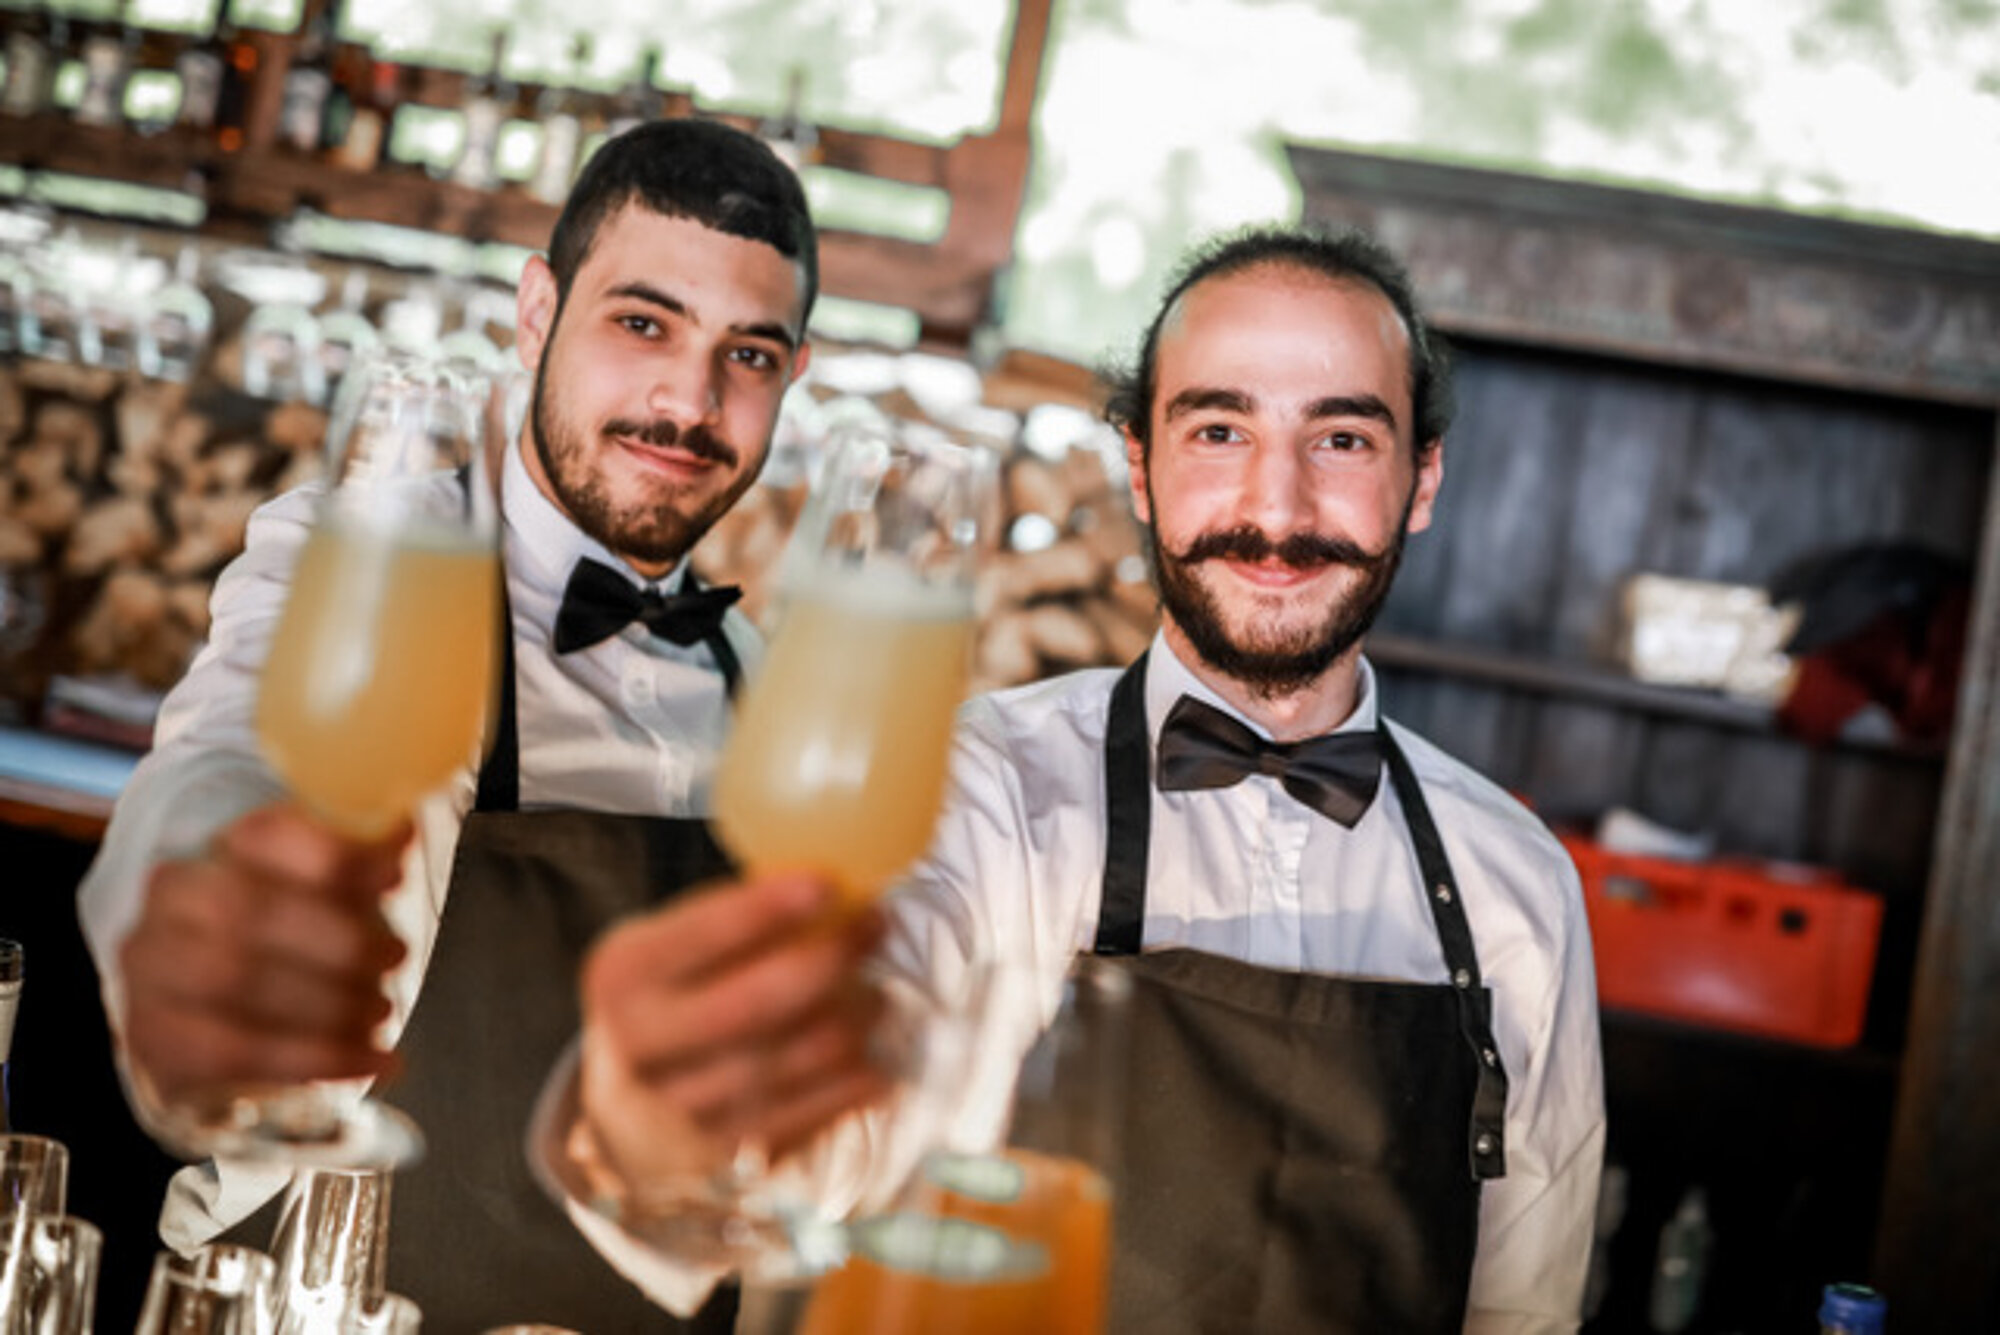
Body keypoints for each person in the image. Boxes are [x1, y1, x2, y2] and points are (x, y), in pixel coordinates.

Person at [548, 222, 1607, 1333]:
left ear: (1421, 479)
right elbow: (812, 1128)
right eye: (1216, 430)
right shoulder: (973, 790)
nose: (1277, 509)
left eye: (1340, 440)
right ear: (1137, 470)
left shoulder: (1514, 888)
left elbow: (1523, 1315)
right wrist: (665, 1116)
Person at [75, 117, 880, 1335]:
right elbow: (228, 761)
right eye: (642, 323)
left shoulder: (760, 680)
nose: (689, 398)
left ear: (793, 376)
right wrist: (205, 901)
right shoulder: (363, 558)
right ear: (535, 309)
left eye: (749, 355)